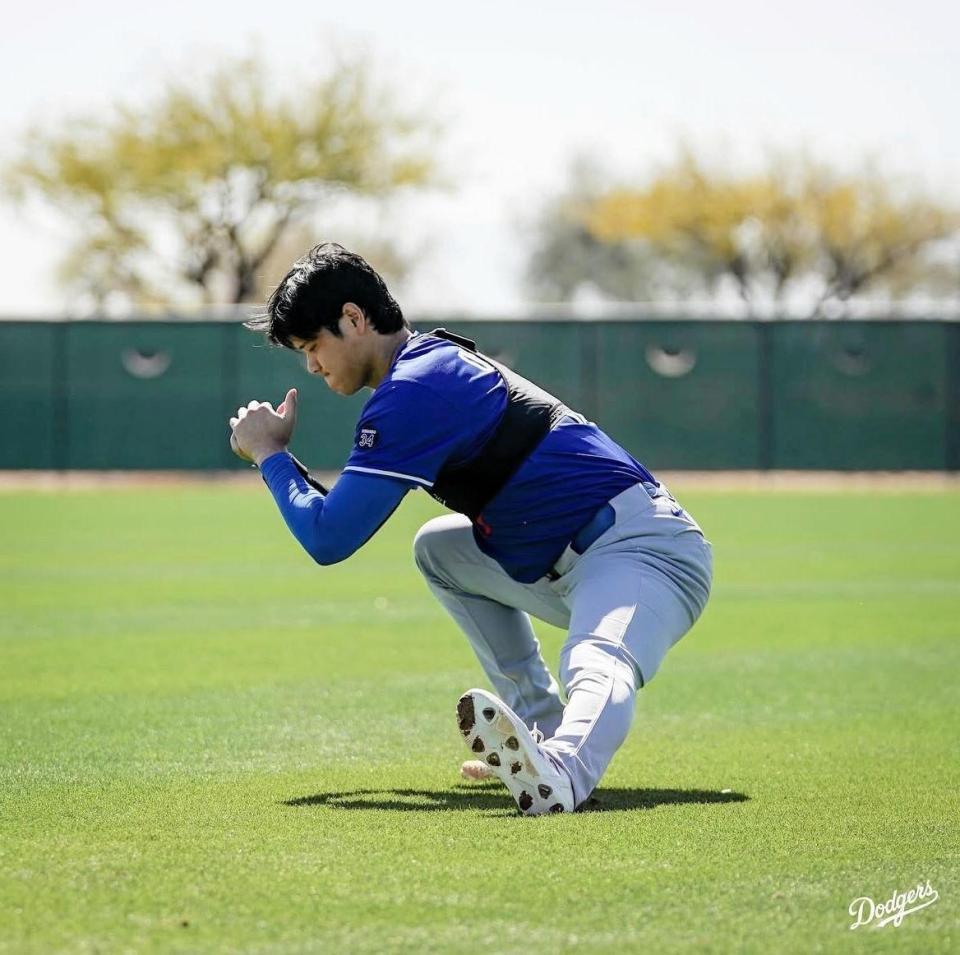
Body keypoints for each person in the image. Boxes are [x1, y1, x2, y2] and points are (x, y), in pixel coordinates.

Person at [230, 242, 713, 816]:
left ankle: (563, 773)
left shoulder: (418, 386)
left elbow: (328, 539)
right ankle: (539, 733)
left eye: (314, 345)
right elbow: (332, 523)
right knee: (441, 548)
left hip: (643, 550)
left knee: (596, 655)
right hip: (568, 559)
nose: (311, 364)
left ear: (354, 319)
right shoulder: (420, 370)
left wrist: (270, 455)